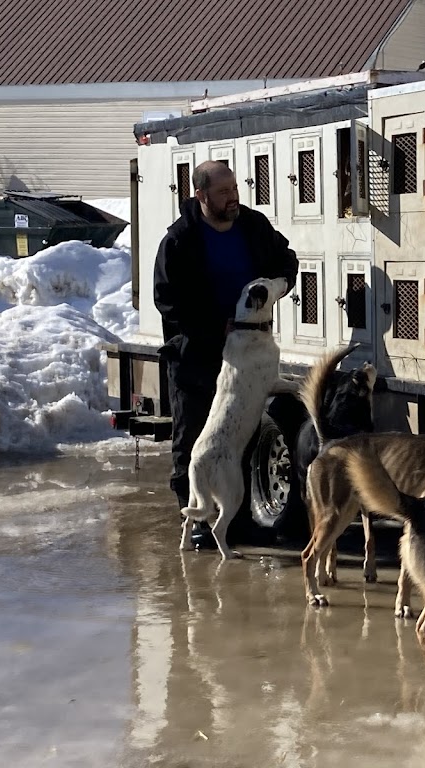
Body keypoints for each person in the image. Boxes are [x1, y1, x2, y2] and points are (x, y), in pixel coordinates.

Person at [153, 160, 298, 548]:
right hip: (197, 359)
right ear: (201, 195)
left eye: (234, 189)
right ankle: (196, 517)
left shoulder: (252, 226)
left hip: (245, 355)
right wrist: (215, 328)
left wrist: (279, 284)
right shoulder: (180, 240)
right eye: (223, 192)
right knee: (195, 442)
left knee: (242, 438)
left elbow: (287, 259)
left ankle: (237, 522)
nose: (232, 197)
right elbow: (167, 301)